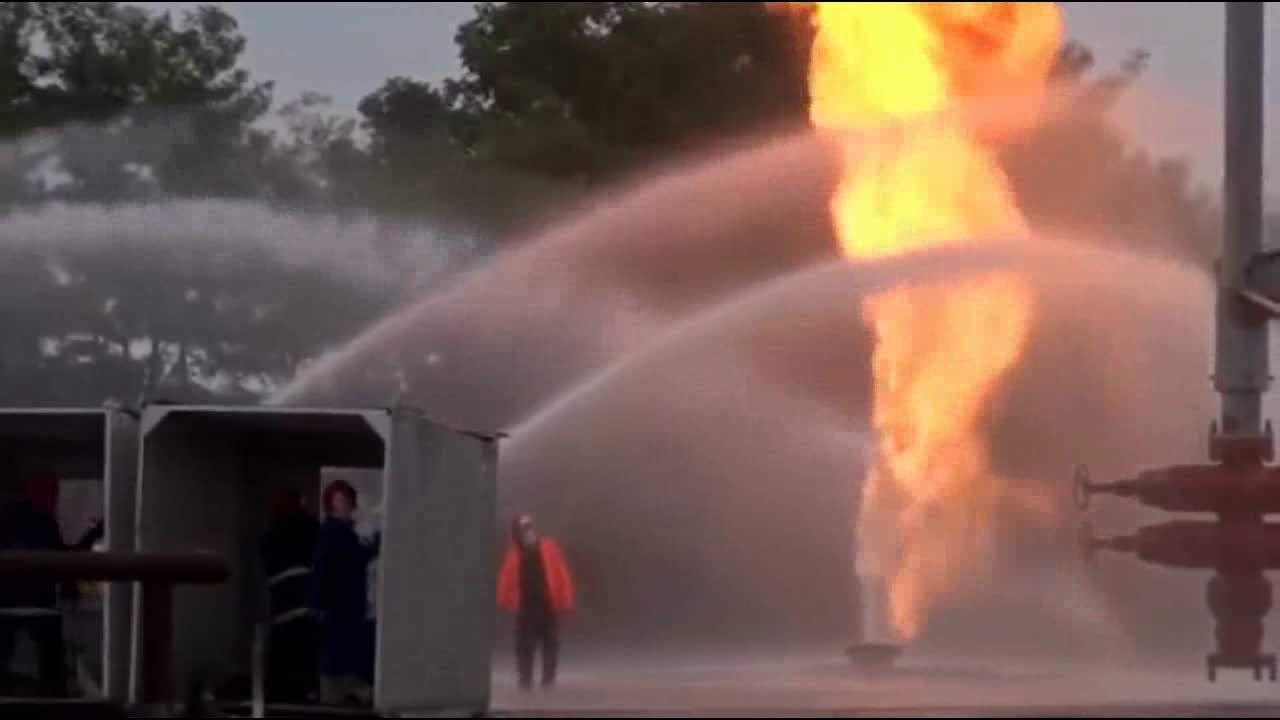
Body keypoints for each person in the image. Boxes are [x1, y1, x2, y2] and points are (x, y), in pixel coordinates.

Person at [0, 474, 103, 697]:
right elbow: (62, 560)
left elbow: (61, 559)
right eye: (53, 495)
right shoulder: (42, 520)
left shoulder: (13, 517)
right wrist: (94, 533)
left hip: (10, 602)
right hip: (37, 602)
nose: (55, 501)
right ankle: (55, 699)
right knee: (51, 663)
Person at [308, 479, 379, 706]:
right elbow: (346, 562)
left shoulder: (335, 532)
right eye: (341, 500)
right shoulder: (336, 533)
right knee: (339, 657)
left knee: (336, 657)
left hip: (340, 607)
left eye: (347, 500)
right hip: (341, 607)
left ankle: (336, 695)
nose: (345, 505)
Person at [497, 514, 575, 691]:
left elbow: (561, 573)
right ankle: (525, 679)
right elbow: (506, 578)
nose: (528, 534)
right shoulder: (514, 553)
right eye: (523, 531)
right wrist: (504, 599)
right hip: (526, 606)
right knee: (524, 645)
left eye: (529, 529)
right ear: (517, 534)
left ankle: (548, 679)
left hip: (548, 605)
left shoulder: (549, 547)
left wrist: (565, 598)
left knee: (550, 642)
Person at [260, 487, 319, 704]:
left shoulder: (269, 536)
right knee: (304, 664)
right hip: (304, 609)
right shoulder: (308, 529)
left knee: (285, 668)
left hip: (283, 612)